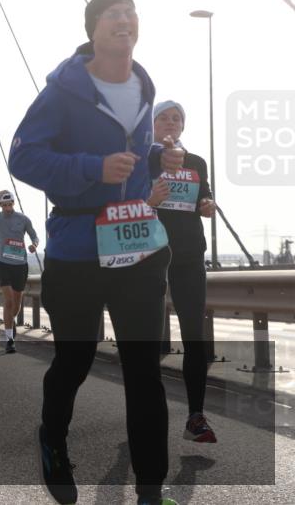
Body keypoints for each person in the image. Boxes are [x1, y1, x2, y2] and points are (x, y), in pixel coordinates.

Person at [9, 0, 183, 505]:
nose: (124, 20)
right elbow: (24, 158)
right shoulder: (63, 91)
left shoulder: (142, 85)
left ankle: (151, 489)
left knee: (144, 370)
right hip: (78, 247)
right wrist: (92, 168)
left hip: (137, 247)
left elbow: (130, 150)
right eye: (113, 14)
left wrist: (156, 157)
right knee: (76, 359)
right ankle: (53, 440)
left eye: (131, 13)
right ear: (92, 30)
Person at [149, 100, 218, 443]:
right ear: (153, 125)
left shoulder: (196, 162)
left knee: (194, 337)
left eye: (176, 118)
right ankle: (146, 411)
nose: (170, 122)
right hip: (150, 255)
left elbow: (203, 199)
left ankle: (195, 416)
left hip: (190, 254)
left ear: (183, 126)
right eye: (163, 117)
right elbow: (129, 200)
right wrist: (150, 197)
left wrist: (207, 205)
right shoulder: (144, 158)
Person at [0, 190, 39, 354]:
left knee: (16, 304)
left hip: (20, 265)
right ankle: (9, 339)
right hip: (3, 264)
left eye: (9, 204)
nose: (7, 208)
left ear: (13, 204)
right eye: (4, 205)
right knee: (8, 301)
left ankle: (10, 321)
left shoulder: (23, 219)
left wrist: (34, 245)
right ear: (1, 205)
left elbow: (34, 236)